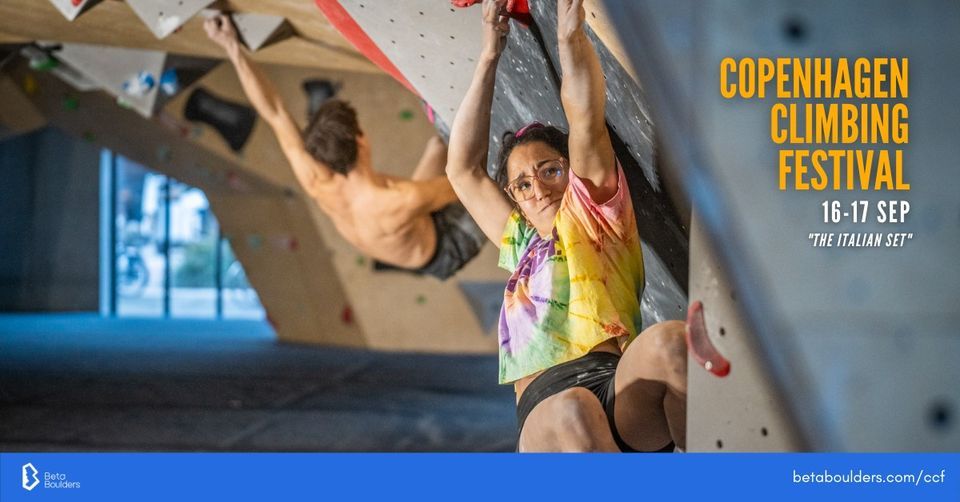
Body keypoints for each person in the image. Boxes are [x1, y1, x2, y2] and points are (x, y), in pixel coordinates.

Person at [446, 0, 688, 452]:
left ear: (570, 171)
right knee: (575, 408)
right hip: (548, 410)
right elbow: (462, 170)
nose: (536, 186)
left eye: (549, 170)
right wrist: (488, 55)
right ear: (514, 198)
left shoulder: (595, 210)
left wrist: (569, 38)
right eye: (521, 183)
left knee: (672, 342)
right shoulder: (520, 240)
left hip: (614, 388)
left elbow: (584, 119)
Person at [204, 14, 484, 280]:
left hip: (407, 226)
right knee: (492, 172)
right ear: (361, 139)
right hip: (447, 246)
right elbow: (466, 180)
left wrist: (231, 45)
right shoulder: (400, 199)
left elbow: (275, 111)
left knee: (439, 144)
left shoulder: (316, 180)